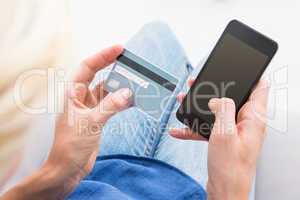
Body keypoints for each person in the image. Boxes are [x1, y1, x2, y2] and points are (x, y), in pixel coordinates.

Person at [0, 22, 269, 200]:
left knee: (158, 36)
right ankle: (187, 82)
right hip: (193, 189)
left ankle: (185, 87)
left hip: (93, 175)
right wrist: (230, 191)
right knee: (209, 75)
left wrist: (56, 174)